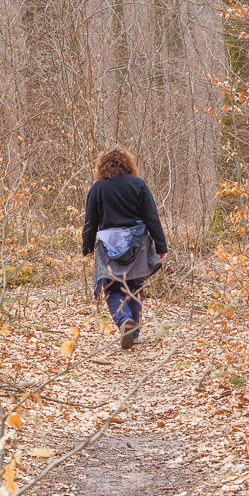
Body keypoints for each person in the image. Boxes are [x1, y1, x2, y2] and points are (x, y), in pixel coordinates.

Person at [80, 147, 167, 350]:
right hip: (138, 245)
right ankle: (133, 334)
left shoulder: (98, 187)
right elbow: (152, 217)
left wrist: (87, 247)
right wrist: (161, 246)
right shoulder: (138, 184)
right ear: (128, 164)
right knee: (135, 287)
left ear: (102, 166)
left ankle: (123, 320)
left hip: (108, 247)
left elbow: (90, 221)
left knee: (112, 288)